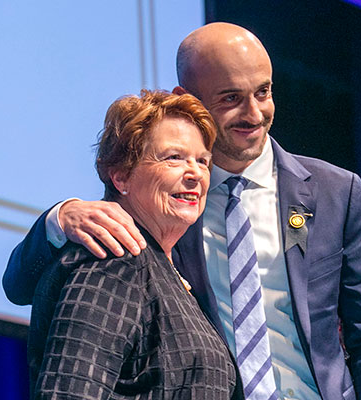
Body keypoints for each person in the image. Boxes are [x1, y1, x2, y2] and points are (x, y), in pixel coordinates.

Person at [4, 22, 361, 399]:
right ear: (187, 98)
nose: (253, 114)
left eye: (263, 92)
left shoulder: (338, 192)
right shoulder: (164, 204)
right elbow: (21, 287)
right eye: (231, 98)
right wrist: (57, 220)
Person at [25, 89, 241, 399]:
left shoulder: (162, 268)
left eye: (203, 161)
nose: (195, 173)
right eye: (174, 158)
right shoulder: (113, 258)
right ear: (122, 176)